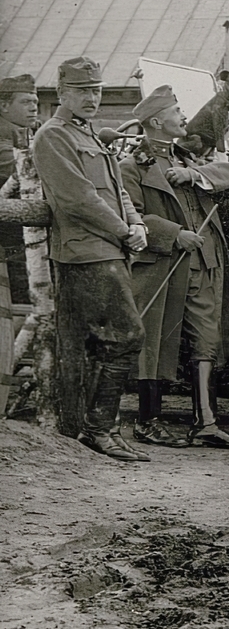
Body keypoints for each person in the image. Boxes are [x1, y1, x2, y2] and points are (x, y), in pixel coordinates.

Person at [33, 57, 151, 461]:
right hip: (85, 252)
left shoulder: (89, 135)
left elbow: (117, 191)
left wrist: (136, 225)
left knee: (110, 341)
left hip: (109, 249)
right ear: (62, 93)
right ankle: (97, 429)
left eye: (97, 90)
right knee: (126, 335)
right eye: (83, 90)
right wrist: (123, 231)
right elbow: (78, 199)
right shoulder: (54, 136)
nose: (91, 98)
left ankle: (101, 429)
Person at [119, 85, 229, 450]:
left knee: (207, 341)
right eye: (177, 112)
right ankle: (147, 422)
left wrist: (195, 176)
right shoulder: (131, 166)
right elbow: (131, 216)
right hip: (161, 265)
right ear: (157, 122)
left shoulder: (187, 161)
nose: (184, 117)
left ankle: (206, 423)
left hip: (203, 265)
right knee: (153, 342)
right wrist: (175, 234)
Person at [0, 73, 39, 309]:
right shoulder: (5, 139)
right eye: (26, 102)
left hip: (26, 242)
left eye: (35, 102)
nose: (33, 107)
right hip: (11, 244)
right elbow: (21, 169)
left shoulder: (26, 135)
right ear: (4, 106)